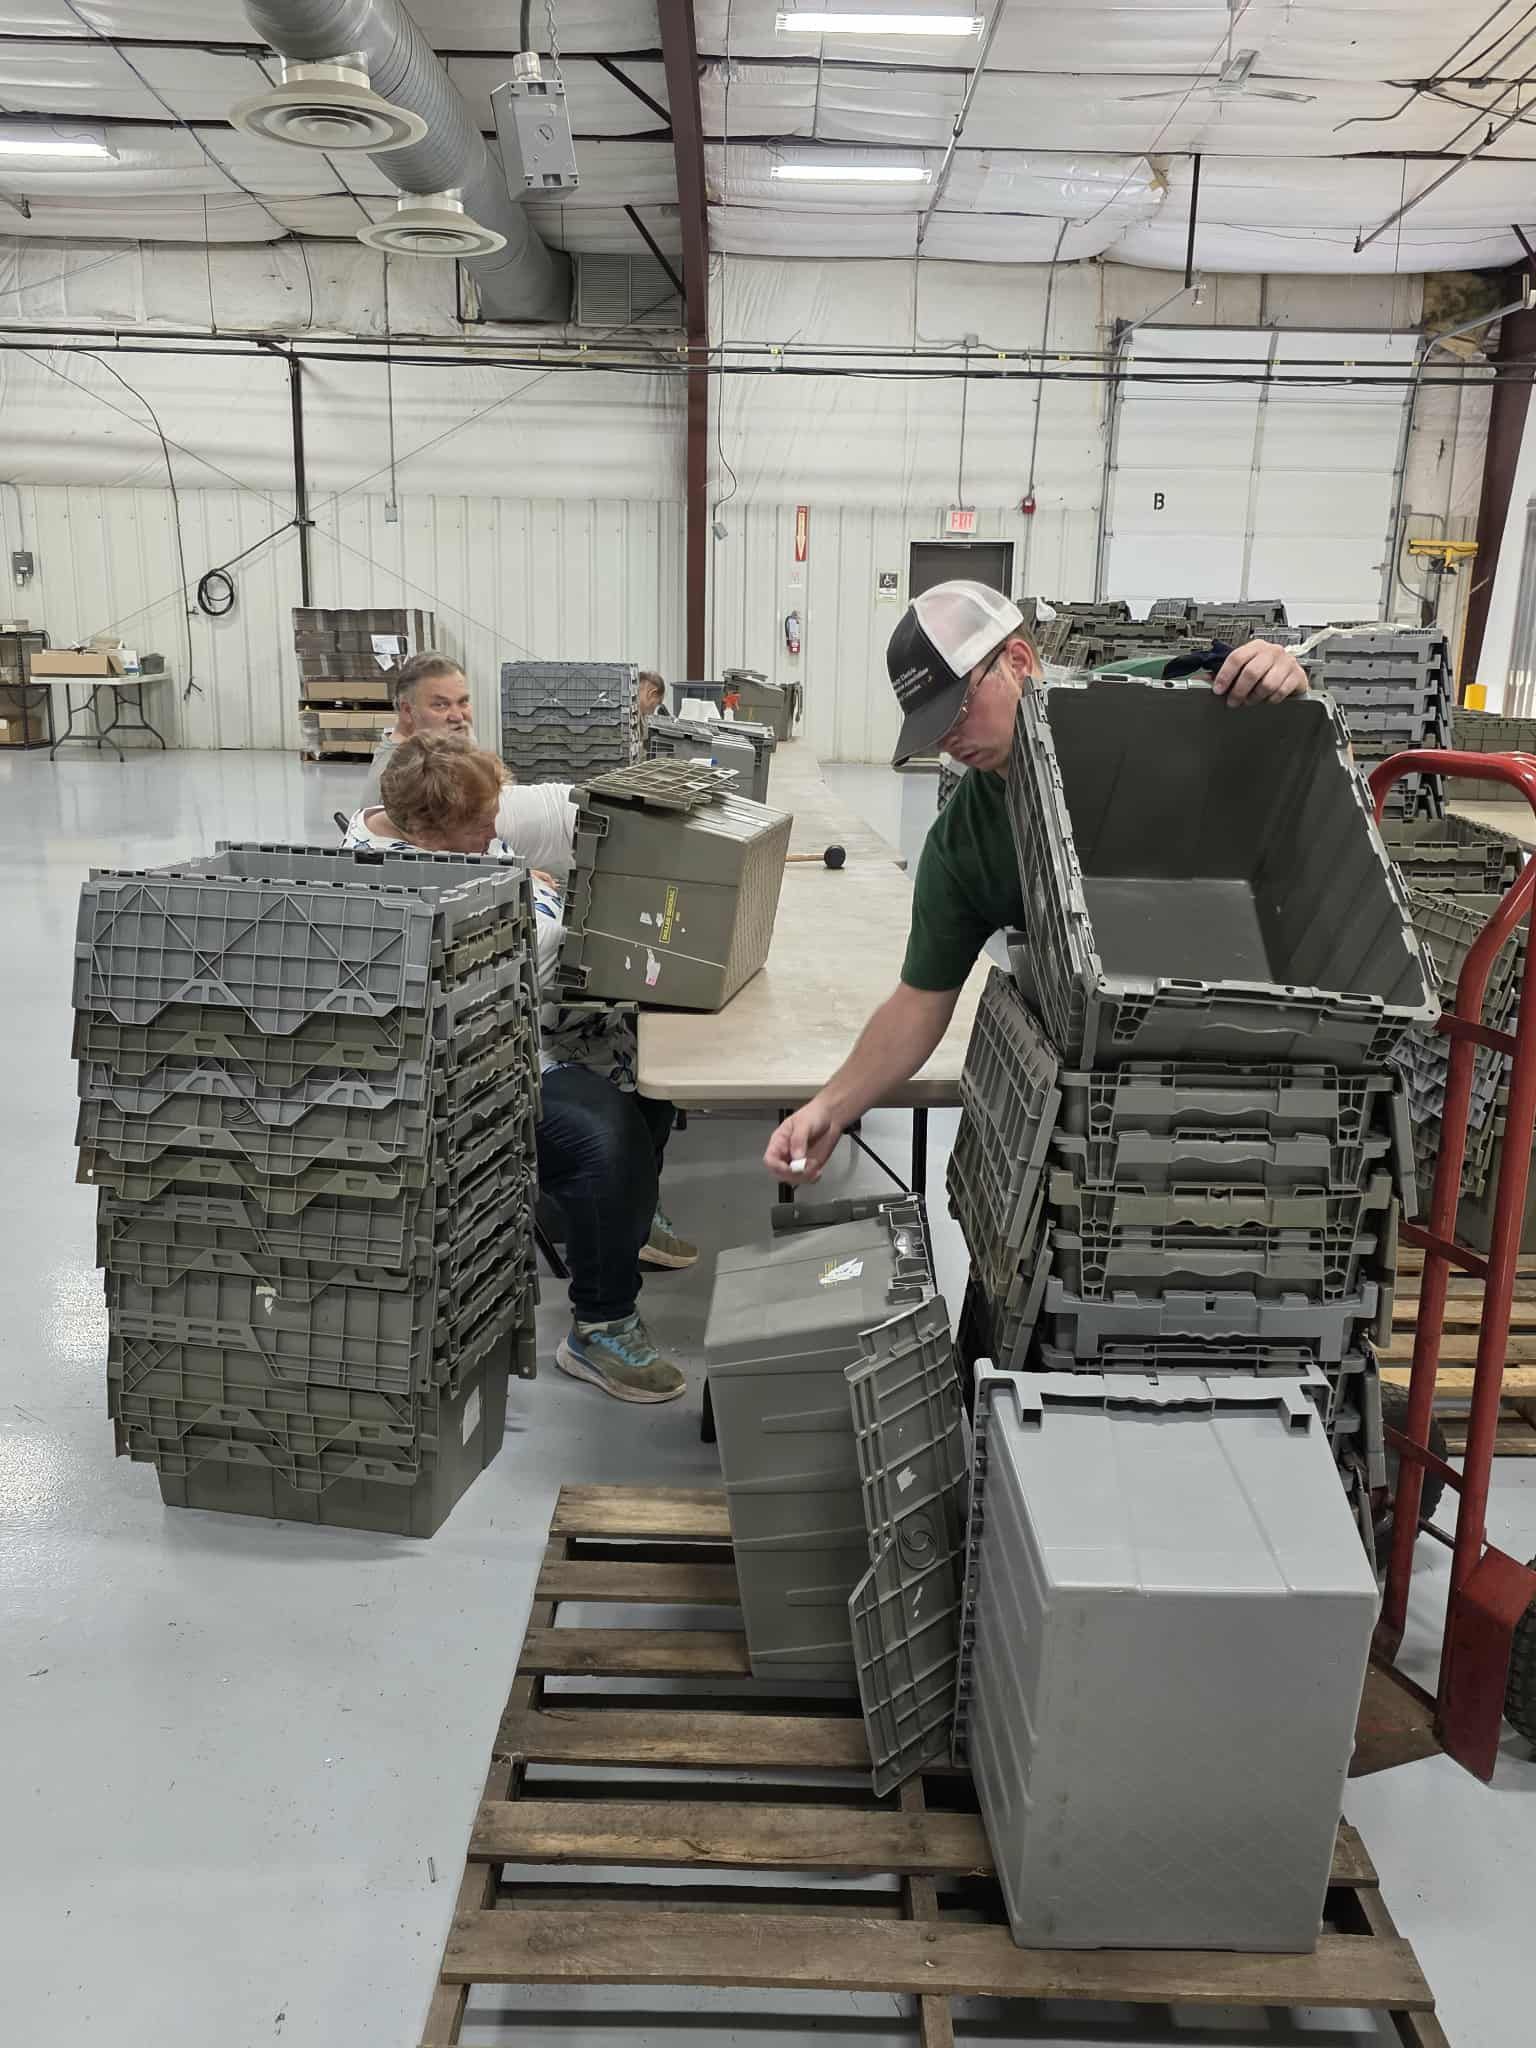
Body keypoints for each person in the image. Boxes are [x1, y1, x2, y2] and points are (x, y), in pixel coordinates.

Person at [764, 580, 1310, 1186]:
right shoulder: (963, 846)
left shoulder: (1149, 702)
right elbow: (919, 1003)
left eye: (956, 711)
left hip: (1260, 1057)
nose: (948, 741)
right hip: (1111, 1105)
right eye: (932, 728)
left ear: (1018, 661)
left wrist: (1282, 677)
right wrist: (830, 1107)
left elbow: (1288, 746)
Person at [344, 731, 695, 1404]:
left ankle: (624, 1215)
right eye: (480, 829)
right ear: (426, 832)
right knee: (606, 1133)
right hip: (469, 1065)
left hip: (538, 1020)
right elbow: (467, 999)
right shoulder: (387, 890)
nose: (493, 835)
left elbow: (553, 825)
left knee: (659, 1065)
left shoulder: (453, 832)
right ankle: (601, 1325)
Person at [359, 651, 474, 811]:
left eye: (463, 702)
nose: (458, 716)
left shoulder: (428, 756)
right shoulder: (406, 778)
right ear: (407, 711)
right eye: (440, 705)